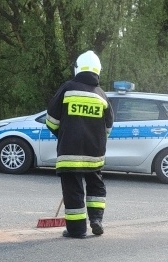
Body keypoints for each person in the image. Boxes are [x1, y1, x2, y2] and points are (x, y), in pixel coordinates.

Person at [45, 50, 114, 238]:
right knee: (96, 186)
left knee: (73, 189)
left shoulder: (68, 88)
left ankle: (77, 230)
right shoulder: (101, 95)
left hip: (70, 150)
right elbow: (108, 127)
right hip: (95, 152)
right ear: (97, 70)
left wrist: (64, 134)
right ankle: (96, 220)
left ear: (78, 68)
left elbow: (51, 120)